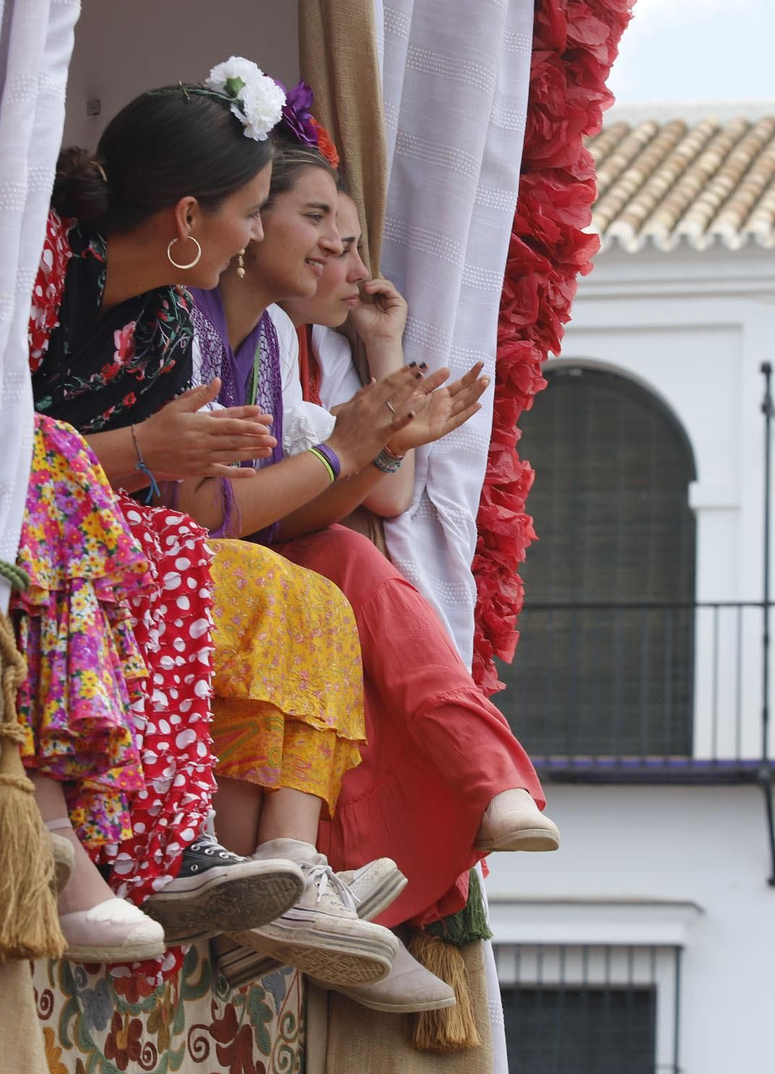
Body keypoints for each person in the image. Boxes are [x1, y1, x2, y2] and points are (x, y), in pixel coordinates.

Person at [26, 60, 420, 991]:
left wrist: (369, 434)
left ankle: (271, 870)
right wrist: (153, 449)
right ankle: (141, 846)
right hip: (43, 516)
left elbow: (185, 489)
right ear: (188, 218)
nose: (248, 236)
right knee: (191, 559)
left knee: (306, 592)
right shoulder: (49, 268)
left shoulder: (168, 322)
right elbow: (7, 441)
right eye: (255, 212)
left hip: (109, 526)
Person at [203, 143, 559, 938]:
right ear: (252, 225)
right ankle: (479, 783)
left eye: (356, 239)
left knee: (343, 563)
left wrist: (382, 357)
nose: (348, 258)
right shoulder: (218, 326)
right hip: (229, 549)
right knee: (339, 564)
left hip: (271, 546)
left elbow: (387, 492)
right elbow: (232, 507)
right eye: (321, 220)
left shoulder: (278, 343)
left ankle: (333, 870)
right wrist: (348, 449)